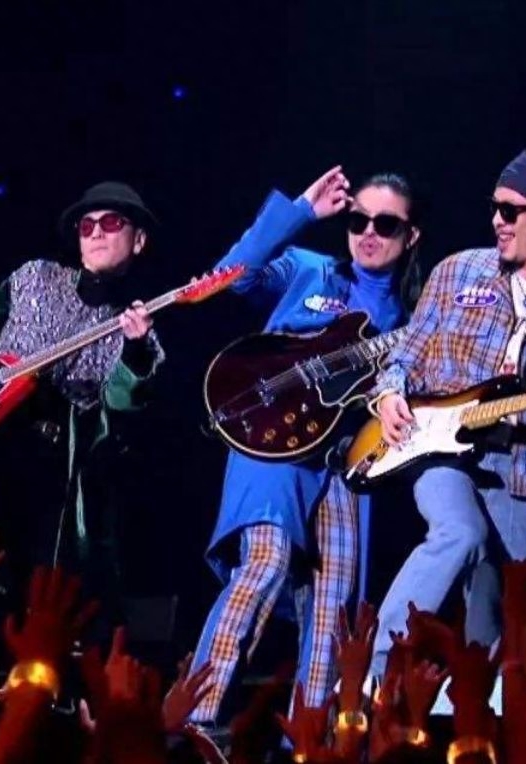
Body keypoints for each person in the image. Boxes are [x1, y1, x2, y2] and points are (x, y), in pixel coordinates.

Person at [367, 145, 526, 675]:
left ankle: (479, 709)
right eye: (494, 208)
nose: (497, 222)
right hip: (439, 448)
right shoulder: (457, 272)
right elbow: (404, 356)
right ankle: (375, 674)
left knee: (500, 597)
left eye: (510, 210)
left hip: (521, 469)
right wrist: (389, 394)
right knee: (460, 532)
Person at [188, 167, 423, 729]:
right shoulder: (308, 269)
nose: (369, 233)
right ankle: (194, 723)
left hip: (344, 460)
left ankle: (311, 740)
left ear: (411, 235)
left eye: (386, 224)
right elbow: (229, 276)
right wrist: (300, 212)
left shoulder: (415, 316)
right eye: (358, 221)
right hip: (271, 441)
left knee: (334, 603)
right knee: (265, 564)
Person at [0, 181, 164, 653]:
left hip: (53, 472)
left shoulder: (141, 334)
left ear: (138, 240)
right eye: (86, 226)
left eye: (111, 222)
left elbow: (121, 408)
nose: (96, 233)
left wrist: (135, 351)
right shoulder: (35, 276)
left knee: (30, 592)